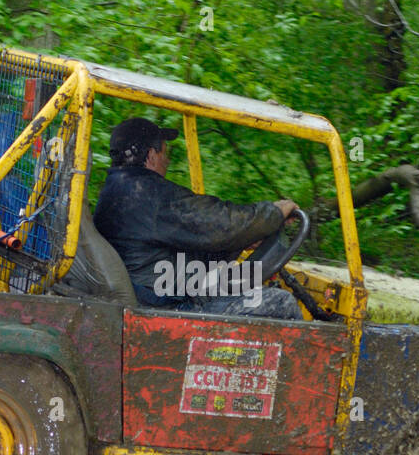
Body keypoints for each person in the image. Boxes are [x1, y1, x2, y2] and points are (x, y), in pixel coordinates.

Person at [93, 117, 303, 319]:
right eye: (165, 154)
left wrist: (244, 241)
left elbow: (191, 243)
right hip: (165, 306)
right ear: (151, 155)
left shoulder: (116, 191)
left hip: (151, 292)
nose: (166, 161)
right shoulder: (151, 194)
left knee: (231, 284)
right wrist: (274, 213)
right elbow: (219, 223)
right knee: (281, 303)